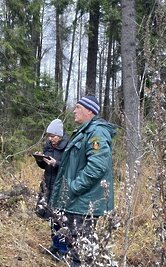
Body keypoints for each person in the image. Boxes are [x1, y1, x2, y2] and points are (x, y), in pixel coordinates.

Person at [49, 96, 116, 267]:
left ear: (89, 111)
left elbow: (97, 166)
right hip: (79, 201)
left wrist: (74, 187)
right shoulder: (84, 131)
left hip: (86, 202)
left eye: (78, 107)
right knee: (77, 248)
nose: (74, 110)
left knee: (82, 252)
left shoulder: (96, 133)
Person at [33, 119, 69, 259]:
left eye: (53, 136)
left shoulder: (68, 146)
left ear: (59, 135)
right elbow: (44, 167)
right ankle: (55, 245)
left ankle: (63, 249)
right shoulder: (48, 146)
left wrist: (56, 164)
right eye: (49, 135)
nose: (50, 139)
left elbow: (70, 167)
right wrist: (40, 160)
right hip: (48, 185)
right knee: (51, 218)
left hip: (61, 187)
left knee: (61, 219)